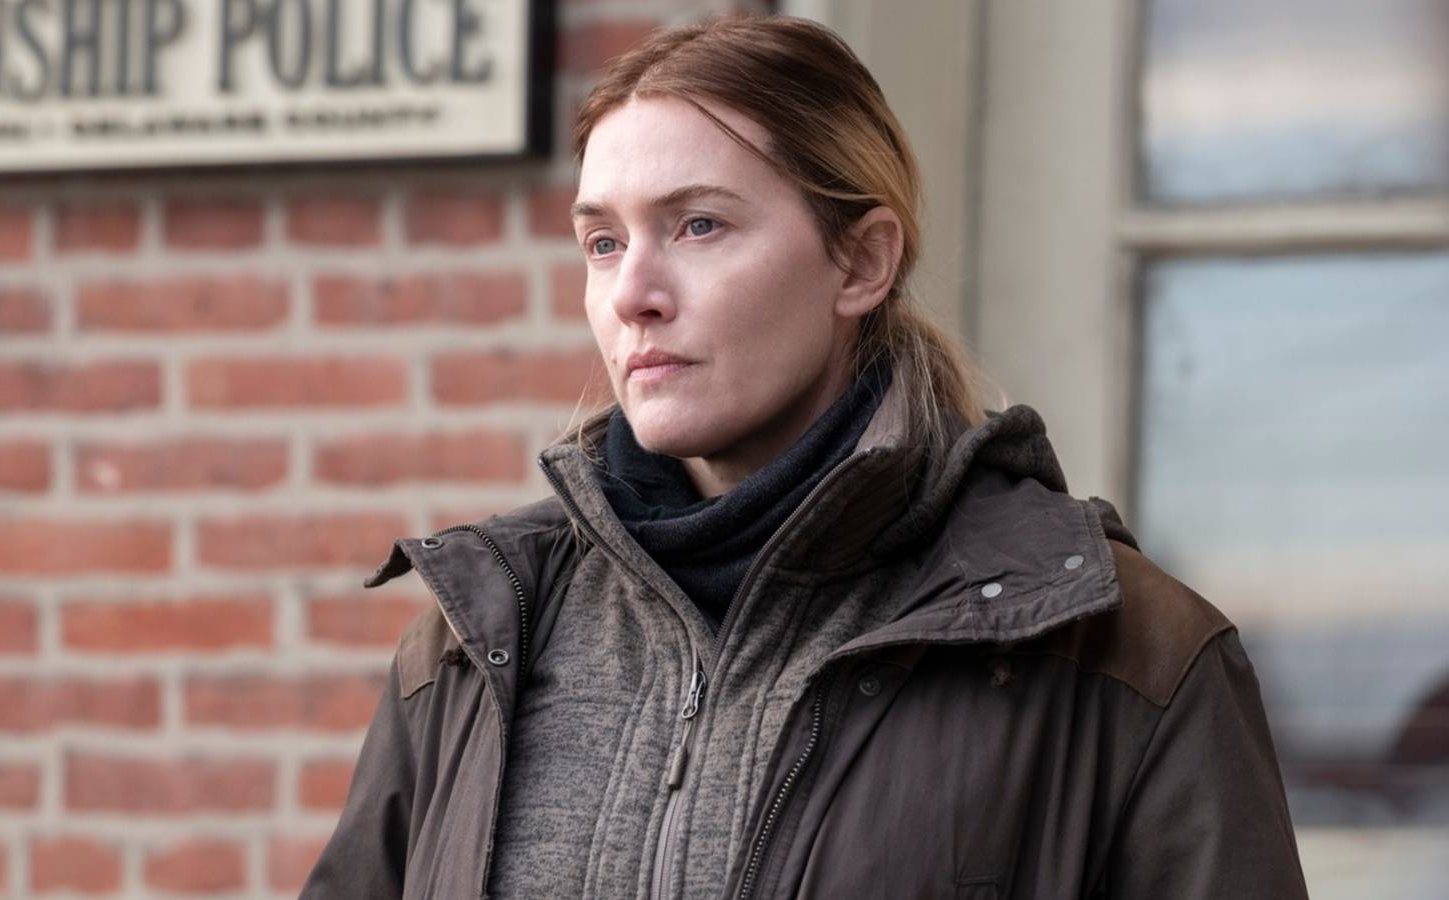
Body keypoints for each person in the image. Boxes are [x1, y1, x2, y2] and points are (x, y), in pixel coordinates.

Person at [301, 14, 1308, 900]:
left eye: (698, 225)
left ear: (861, 262)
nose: (632, 294)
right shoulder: (480, 642)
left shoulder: (1122, 652)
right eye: (603, 243)